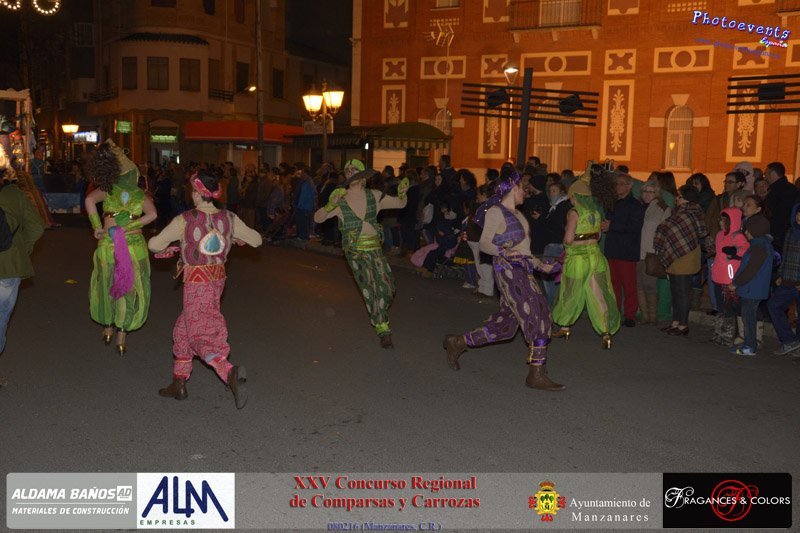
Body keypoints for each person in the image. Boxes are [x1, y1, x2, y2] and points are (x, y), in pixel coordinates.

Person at [442, 168, 564, 391]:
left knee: (505, 327)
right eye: (522, 188)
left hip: (523, 270)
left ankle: (457, 342)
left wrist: (541, 265)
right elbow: (485, 244)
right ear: (512, 189)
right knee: (539, 315)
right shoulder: (495, 212)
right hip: (508, 272)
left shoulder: (519, 215)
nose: (525, 192)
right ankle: (536, 373)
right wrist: (505, 251)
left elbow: (524, 251)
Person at [148, 171, 262, 408]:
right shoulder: (229, 218)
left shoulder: (185, 219)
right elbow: (256, 240)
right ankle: (179, 383)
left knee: (200, 334)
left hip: (196, 284)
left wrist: (178, 242)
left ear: (197, 194)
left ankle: (228, 371)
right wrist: (232, 238)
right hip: (217, 281)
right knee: (182, 330)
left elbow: (154, 245)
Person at [313, 160, 408, 349]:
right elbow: (318, 218)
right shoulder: (341, 198)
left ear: (363, 176)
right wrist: (330, 205)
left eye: (354, 170)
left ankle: (379, 311)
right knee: (370, 287)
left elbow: (400, 203)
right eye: (347, 170)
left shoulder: (375, 195)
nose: (350, 172)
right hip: (354, 251)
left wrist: (403, 193)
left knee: (387, 288)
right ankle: (383, 328)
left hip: (375, 249)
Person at [85, 140, 156, 355]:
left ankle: (112, 328)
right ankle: (119, 333)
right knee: (123, 287)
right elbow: (152, 215)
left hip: (116, 245)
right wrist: (124, 227)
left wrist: (99, 227)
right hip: (124, 246)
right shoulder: (134, 194)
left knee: (113, 285)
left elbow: (89, 200)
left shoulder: (114, 191)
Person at [551, 167, 621, 348]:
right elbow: (598, 236)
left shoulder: (574, 212)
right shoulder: (596, 213)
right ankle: (606, 333)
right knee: (598, 295)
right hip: (596, 258)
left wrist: (566, 247)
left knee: (570, 292)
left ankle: (565, 327)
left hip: (577, 260)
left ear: (575, 196)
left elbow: (568, 239)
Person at [0, 172, 45, 386]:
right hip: (8, 266)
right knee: (0, 318)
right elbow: (37, 226)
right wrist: (21, 249)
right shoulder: (14, 195)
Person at [653, 185, 710, 336]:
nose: (676, 199)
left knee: (683, 291)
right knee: (675, 290)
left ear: (686, 199)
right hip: (677, 253)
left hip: (686, 255)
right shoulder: (680, 212)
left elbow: (698, 232)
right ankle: (675, 322)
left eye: (679, 196)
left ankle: (683, 325)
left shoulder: (690, 213)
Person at [603, 172, 645, 327]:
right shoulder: (613, 203)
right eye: (616, 184)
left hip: (626, 251)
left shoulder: (636, 205)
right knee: (613, 285)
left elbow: (635, 227)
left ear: (629, 186)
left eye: (620, 184)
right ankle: (615, 313)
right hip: (612, 249)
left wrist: (611, 226)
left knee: (629, 286)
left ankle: (630, 315)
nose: (617, 187)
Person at [730, 214, 773, 356]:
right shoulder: (759, 245)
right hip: (752, 287)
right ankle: (749, 343)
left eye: (748, 229)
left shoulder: (759, 247)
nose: (746, 232)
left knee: (748, 316)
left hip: (752, 288)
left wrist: (736, 283)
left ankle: (750, 346)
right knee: (748, 315)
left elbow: (751, 269)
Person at [710, 208, 748, 346]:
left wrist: (735, 251)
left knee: (729, 307)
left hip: (729, 277)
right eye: (720, 219)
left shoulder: (737, 236)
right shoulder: (720, 235)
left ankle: (728, 335)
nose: (721, 222)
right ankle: (719, 333)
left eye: (724, 220)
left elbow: (746, 250)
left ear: (732, 221)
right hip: (718, 275)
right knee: (721, 306)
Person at [767, 204, 800, 355]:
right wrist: (780, 274)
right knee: (773, 305)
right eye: (798, 213)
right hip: (787, 281)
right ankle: (789, 341)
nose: (799, 217)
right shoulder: (791, 232)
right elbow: (785, 255)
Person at [638, 178, 671, 325]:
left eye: (651, 192)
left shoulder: (663, 208)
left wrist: (660, 251)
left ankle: (653, 316)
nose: (647, 194)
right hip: (636, 251)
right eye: (645, 191)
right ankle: (644, 315)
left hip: (652, 252)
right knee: (638, 284)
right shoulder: (638, 206)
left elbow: (666, 232)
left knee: (649, 285)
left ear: (657, 193)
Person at [764, 161, 798, 255]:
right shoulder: (791, 189)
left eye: (766, 174)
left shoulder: (778, 190)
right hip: (783, 235)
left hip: (777, 237)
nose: (765, 177)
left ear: (773, 174)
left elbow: (779, 215)